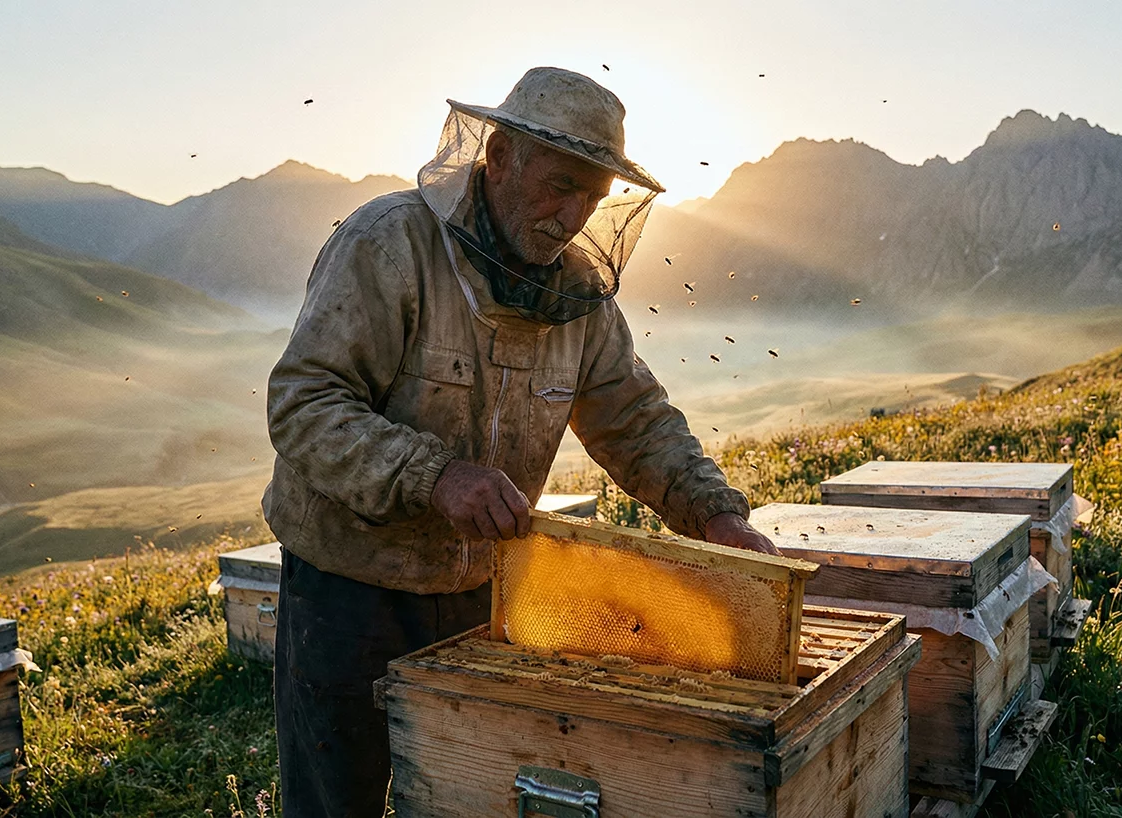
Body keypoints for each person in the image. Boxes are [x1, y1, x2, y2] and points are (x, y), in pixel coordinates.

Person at [261, 66, 778, 816]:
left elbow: (634, 421)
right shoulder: (389, 245)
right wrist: (434, 477)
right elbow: (304, 403)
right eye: (560, 185)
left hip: (480, 590)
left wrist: (715, 516)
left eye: (593, 199)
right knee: (336, 801)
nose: (572, 216)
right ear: (498, 156)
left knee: (464, 792)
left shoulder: (576, 296)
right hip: (348, 592)